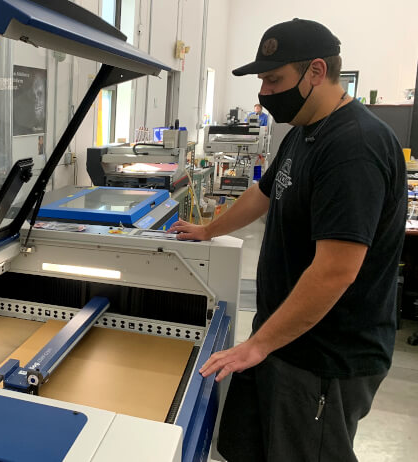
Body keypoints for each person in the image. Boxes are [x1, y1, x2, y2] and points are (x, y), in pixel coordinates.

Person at [171, 18, 406, 461]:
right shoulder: (304, 132)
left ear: (316, 71)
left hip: (325, 358)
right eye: (262, 80)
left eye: (274, 79)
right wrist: (207, 230)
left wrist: (258, 344)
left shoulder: (354, 146)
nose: (265, 93)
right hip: (284, 339)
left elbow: (336, 269)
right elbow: (263, 193)